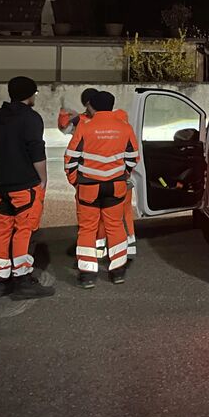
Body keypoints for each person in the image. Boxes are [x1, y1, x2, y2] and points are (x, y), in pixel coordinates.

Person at [0, 76, 55, 298]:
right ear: (29, 94)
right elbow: (37, 151)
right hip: (25, 185)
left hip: (2, 184)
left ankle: (0, 280)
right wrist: (42, 179)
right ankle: (23, 280)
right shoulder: (31, 118)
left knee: (3, 229)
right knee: (24, 231)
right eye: (34, 93)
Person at [65, 91, 139, 287]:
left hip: (88, 187)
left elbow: (70, 157)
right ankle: (118, 271)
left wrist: (74, 180)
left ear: (92, 106)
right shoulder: (124, 127)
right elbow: (133, 157)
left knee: (87, 228)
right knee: (115, 226)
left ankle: (88, 275)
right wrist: (123, 175)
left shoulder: (85, 127)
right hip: (115, 186)